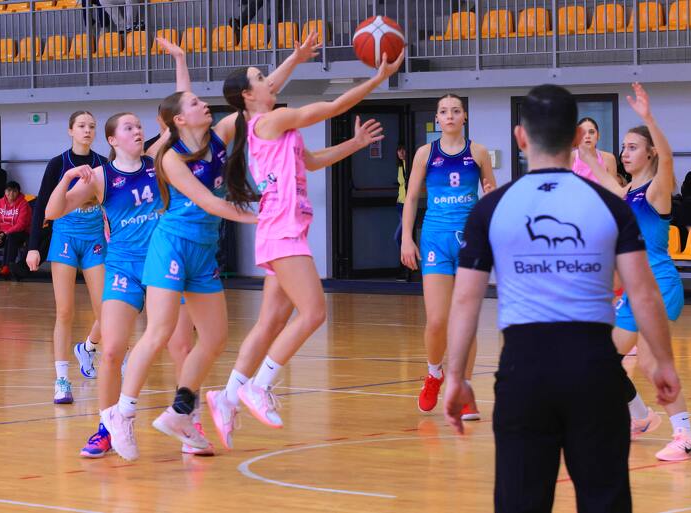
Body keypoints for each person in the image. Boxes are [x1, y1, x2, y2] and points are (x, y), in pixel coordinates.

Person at [443, 83, 680, 513]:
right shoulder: (611, 205)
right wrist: (663, 362)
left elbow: (465, 301)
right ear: (575, 138)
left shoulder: (492, 208)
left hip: (524, 373)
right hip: (594, 372)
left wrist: (456, 376)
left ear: (520, 137)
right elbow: (643, 292)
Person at [101, 33, 323, 461]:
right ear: (179, 119)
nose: (205, 104)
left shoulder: (220, 134)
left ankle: (182, 411)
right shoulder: (169, 156)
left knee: (216, 339)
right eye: (195, 103)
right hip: (172, 245)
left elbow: (257, 97)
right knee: (160, 331)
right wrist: (262, 218)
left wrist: (294, 59)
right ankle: (121, 413)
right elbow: (210, 202)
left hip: (204, 249)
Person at [204, 50, 402, 450]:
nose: (269, 82)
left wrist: (354, 143)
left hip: (282, 228)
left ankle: (226, 397)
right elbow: (332, 107)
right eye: (261, 78)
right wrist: (377, 78)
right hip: (282, 229)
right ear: (248, 95)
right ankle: (259, 385)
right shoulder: (269, 121)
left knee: (271, 322)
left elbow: (311, 161)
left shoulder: (277, 129)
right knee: (313, 312)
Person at [45, 38, 210, 459]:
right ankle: (107, 427)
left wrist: (180, 59)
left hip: (165, 264)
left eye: (140, 126)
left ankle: (188, 421)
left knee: (181, 346)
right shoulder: (100, 177)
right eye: (130, 128)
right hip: (122, 267)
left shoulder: (159, 160)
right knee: (113, 349)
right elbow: (52, 210)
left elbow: (182, 110)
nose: (138, 131)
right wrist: (67, 180)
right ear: (114, 139)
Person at [582, 83, 691, 461]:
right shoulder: (630, 189)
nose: (625, 153)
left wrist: (648, 118)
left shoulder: (656, 190)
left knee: (649, 362)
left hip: (659, 285)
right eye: (623, 147)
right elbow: (608, 184)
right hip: (635, 289)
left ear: (650, 152)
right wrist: (589, 155)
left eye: (632, 147)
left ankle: (685, 435)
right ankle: (640, 416)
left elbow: (667, 155)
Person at [400, 94, 495, 419]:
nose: (450, 115)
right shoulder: (425, 154)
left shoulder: (478, 152)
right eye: (444, 111)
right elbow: (412, 197)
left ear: (464, 116)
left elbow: (491, 197)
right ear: (437, 119)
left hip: (470, 240)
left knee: (465, 320)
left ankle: (464, 389)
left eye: (456, 111)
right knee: (438, 321)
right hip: (435, 239)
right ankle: (434, 373)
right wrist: (407, 239)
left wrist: (490, 198)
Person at [27, 111, 108, 404]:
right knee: (65, 311)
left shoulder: (103, 164)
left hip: (95, 239)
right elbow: (41, 206)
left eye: (92, 126)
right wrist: (33, 246)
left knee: (106, 311)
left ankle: (87, 348)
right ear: (70, 130)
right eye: (82, 126)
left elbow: (112, 203)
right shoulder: (58, 163)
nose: (87, 130)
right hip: (65, 238)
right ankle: (61, 379)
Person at [0, 181, 32, 277]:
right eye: (9, 190)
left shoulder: (24, 204)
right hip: (2, 234)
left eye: (14, 191)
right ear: (5, 191)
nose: (11, 193)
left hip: (20, 233)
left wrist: (5, 233)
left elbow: (21, 224)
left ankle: (6, 267)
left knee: (11, 237)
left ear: (18, 192)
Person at [571, 117, 618, 183]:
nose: (587, 136)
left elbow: (614, 188)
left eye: (591, 132)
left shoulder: (609, 158)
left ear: (598, 136)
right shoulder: (569, 158)